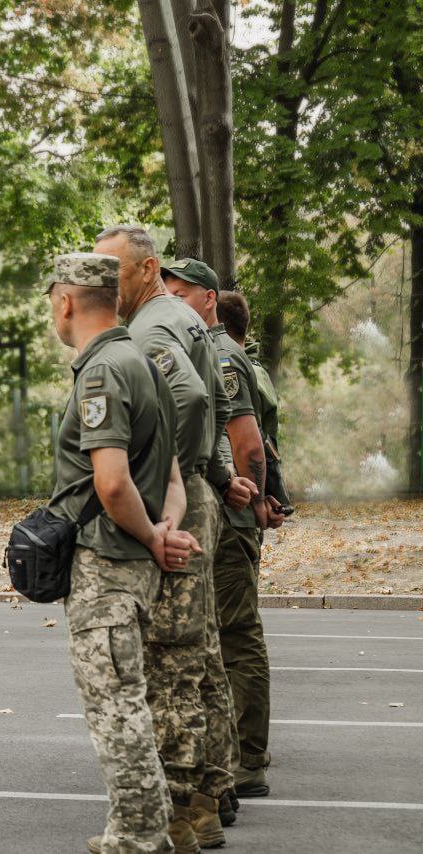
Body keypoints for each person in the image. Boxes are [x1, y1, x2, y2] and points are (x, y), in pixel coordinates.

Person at [43, 252, 201, 854]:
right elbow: (174, 476)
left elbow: (111, 483)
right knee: (129, 698)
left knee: (116, 708)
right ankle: (150, 825)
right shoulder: (144, 362)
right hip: (134, 559)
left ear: (65, 302)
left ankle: (136, 837)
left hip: (107, 565)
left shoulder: (103, 370)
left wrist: (150, 536)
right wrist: (165, 529)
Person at [95, 226, 235, 840]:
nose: (103, 284)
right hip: (199, 487)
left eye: (112, 271)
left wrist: (159, 476)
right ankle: (210, 793)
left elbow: (191, 396)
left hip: (176, 498)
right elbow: (216, 404)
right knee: (200, 649)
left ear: (147, 268)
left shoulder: (151, 327)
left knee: (172, 656)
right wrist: (218, 471)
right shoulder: (183, 314)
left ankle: (183, 811)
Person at [164, 262, 274, 799]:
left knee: (235, 636)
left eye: (179, 293)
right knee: (226, 636)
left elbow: (247, 441)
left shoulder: (220, 353)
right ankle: (236, 757)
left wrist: (251, 505)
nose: (170, 300)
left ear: (208, 299)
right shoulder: (200, 347)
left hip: (230, 516)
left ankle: (247, 761)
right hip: (226, 511)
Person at [217, 292, 292, 520]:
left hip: (237, 495)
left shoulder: (231, 367)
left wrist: (259, 498)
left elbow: (252, 440)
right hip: (248, 491)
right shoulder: (256, 369)